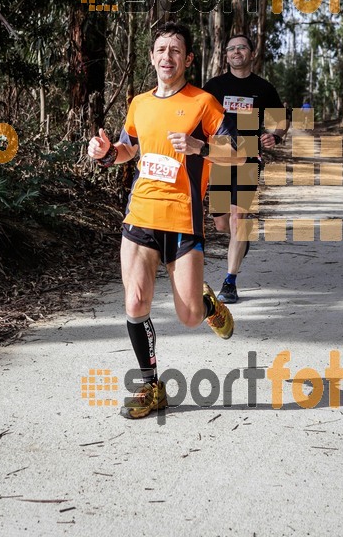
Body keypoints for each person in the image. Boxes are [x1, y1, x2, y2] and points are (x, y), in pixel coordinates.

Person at [87, 22, 245, 419]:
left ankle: (207, 304)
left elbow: (238, 155)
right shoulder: (139, 103)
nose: (167, 57)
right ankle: (150, 386)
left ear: (188, 59)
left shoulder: (204, 103)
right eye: (160, 49)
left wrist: (200, 147)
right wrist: (106, 152)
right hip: (140, 213)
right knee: (135, 299)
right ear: (152, 56)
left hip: (183, 219)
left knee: (188, 316)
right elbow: (127, 149)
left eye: (175, 50)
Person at [203, 34, 288, 305]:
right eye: (231, 48)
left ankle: (230, 282)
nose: (237, 52)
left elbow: (281, 120)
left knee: (239, 217)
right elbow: (201, 119)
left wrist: (274, 135)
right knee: (221, 222)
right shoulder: (214, 87)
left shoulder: (263, 88)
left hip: (250, 159)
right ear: (225, 55)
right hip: (218, 160)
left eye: (242, 47)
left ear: (252, 53)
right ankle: (241, 242)